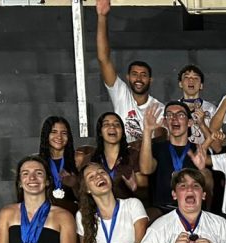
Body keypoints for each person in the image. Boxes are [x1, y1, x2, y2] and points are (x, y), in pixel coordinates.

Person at [95, 0, 162, 143]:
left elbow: (160, 139)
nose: (139, 79)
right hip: (121, 154)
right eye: (134, 74)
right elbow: (103, 59)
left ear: (150, 80)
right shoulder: (121, 94)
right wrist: (102, 17)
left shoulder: (158, 108)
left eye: (143, 75)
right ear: (127, 77)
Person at [138, 100, 211, 216]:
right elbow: (146, 170)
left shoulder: (198, 150)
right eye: (169, 115)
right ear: (165, 122)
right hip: (162, 208)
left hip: (191, 207)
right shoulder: (156, 147)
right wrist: (147, 131)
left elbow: (209, 187)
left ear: (189, 122)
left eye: (180, 115)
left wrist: (202, 169)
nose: (174, 118)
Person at [85, 112, 145, 203]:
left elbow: (145, 193)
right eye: (106, 124)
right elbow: (83, 193)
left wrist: (133, 189)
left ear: (122, 131)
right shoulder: (90, 159)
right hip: (99, 208)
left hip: (129, 207)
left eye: (117, 124)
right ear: (100, 132)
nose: (112, 127)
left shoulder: (134, 155)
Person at [37, 116, 79, 213]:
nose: (59, 137)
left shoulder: (78, 159)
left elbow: (87, 196)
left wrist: (75, 185)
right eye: (54, 132)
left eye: (64, 133)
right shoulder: (38, 162)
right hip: (45, 215)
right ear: (46, 135)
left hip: (73, 213)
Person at [178, 65, 218, 149]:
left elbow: (217, 147)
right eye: (186, 77)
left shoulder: (211, 109)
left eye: (195, 78)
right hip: (179, 155)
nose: (191, 80)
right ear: (180, 84)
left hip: (205, 154)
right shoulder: (174, 108)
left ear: (201, 85)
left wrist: (202, 124)